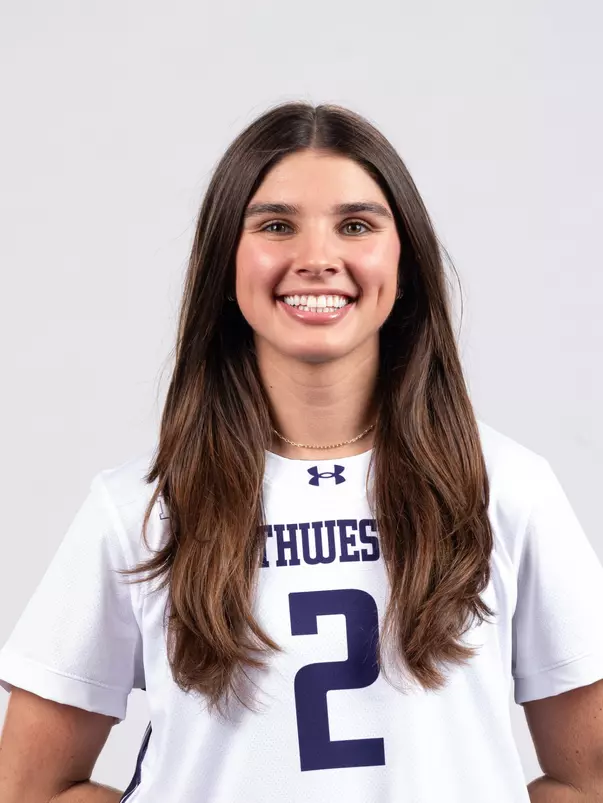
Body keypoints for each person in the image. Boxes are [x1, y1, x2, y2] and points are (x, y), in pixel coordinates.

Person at [1, 101, 602, 803]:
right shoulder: (139, 507)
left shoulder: (505, 489)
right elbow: (30, 788)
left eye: (355, 225)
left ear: (402, 259)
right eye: (276, 225)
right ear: (226, 259)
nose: (316, 259)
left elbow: (585, 778)